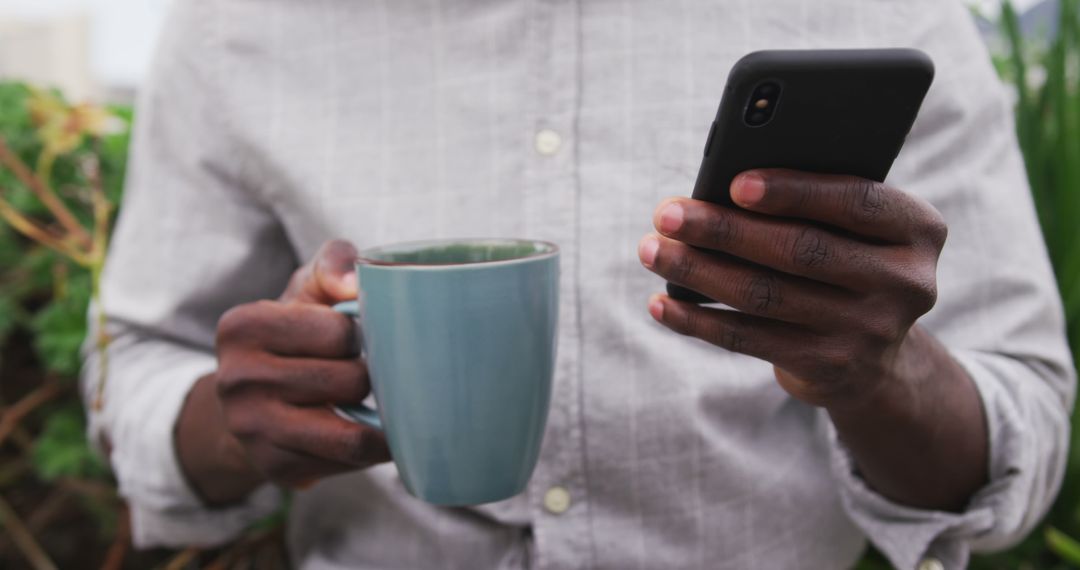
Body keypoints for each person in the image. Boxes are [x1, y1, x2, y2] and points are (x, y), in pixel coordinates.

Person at [81, 0, 1075, 568]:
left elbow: (1018, 431)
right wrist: (239, 414)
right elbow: (135, 376)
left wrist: (880, 375)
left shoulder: (882, 9)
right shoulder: (235, 26)